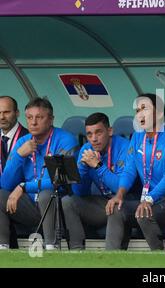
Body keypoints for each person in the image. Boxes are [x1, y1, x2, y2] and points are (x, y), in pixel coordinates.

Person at [105, 93, 165, 250]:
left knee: (144, 213)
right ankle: (111, 260)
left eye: (144, 109)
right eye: (137, 110)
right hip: (146, 199)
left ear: (159, 113)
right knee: (116, 208)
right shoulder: (137, 136)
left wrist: (149, 199)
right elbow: (129, 170)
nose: (140, 114)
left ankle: (158, 258)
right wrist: (119, 194)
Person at [0, 97, 78, 250]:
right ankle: (2, 247)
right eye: (29, 118)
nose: (33, 122)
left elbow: (61, 182)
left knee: (46, 194)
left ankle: (51, 246)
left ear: (51, 119)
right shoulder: (23, 142)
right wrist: (18, 156)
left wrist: (23, 186)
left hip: (59, 206)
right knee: (1, 194)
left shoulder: (65, 139)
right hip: (30, 206)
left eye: (39, 117)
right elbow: (6, 184)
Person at [61, 112, 131, 249]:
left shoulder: (126, 147)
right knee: (68, 201)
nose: (93, 139)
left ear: (110, 131)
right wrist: (83, 169)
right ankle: (76, 253)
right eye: (89, 134)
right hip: (102, 203)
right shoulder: (86, 149)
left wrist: (98, 166)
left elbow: (120, 187)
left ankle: (110, 259)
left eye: (98, 133)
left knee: (115, 207)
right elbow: (79, 192)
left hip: (127, 202)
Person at [0, 96, 28, 248]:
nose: (2, 117)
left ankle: (3, 248)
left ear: (17, 113)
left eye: (6, 112)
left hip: (23, 196)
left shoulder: (28, 138)